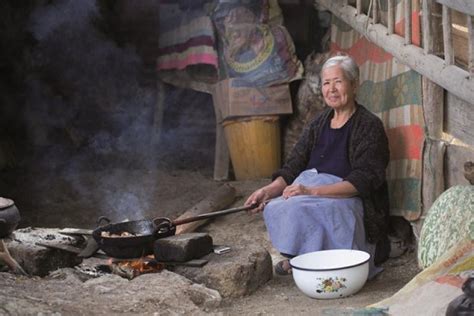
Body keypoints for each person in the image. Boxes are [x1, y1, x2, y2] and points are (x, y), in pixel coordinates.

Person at [245, 54, 390, 277]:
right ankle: (302, 258)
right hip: (310, 191)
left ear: (354, 84)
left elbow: (365, 179)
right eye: (326, 83)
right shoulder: (318, 123)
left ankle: (325, 262)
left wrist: (311, 191)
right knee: (276, 205)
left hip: (347, 199)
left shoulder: (369, 126)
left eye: (338, 82)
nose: (331, 89)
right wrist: (267, 191)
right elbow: (293, 166)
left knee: (307, 207)